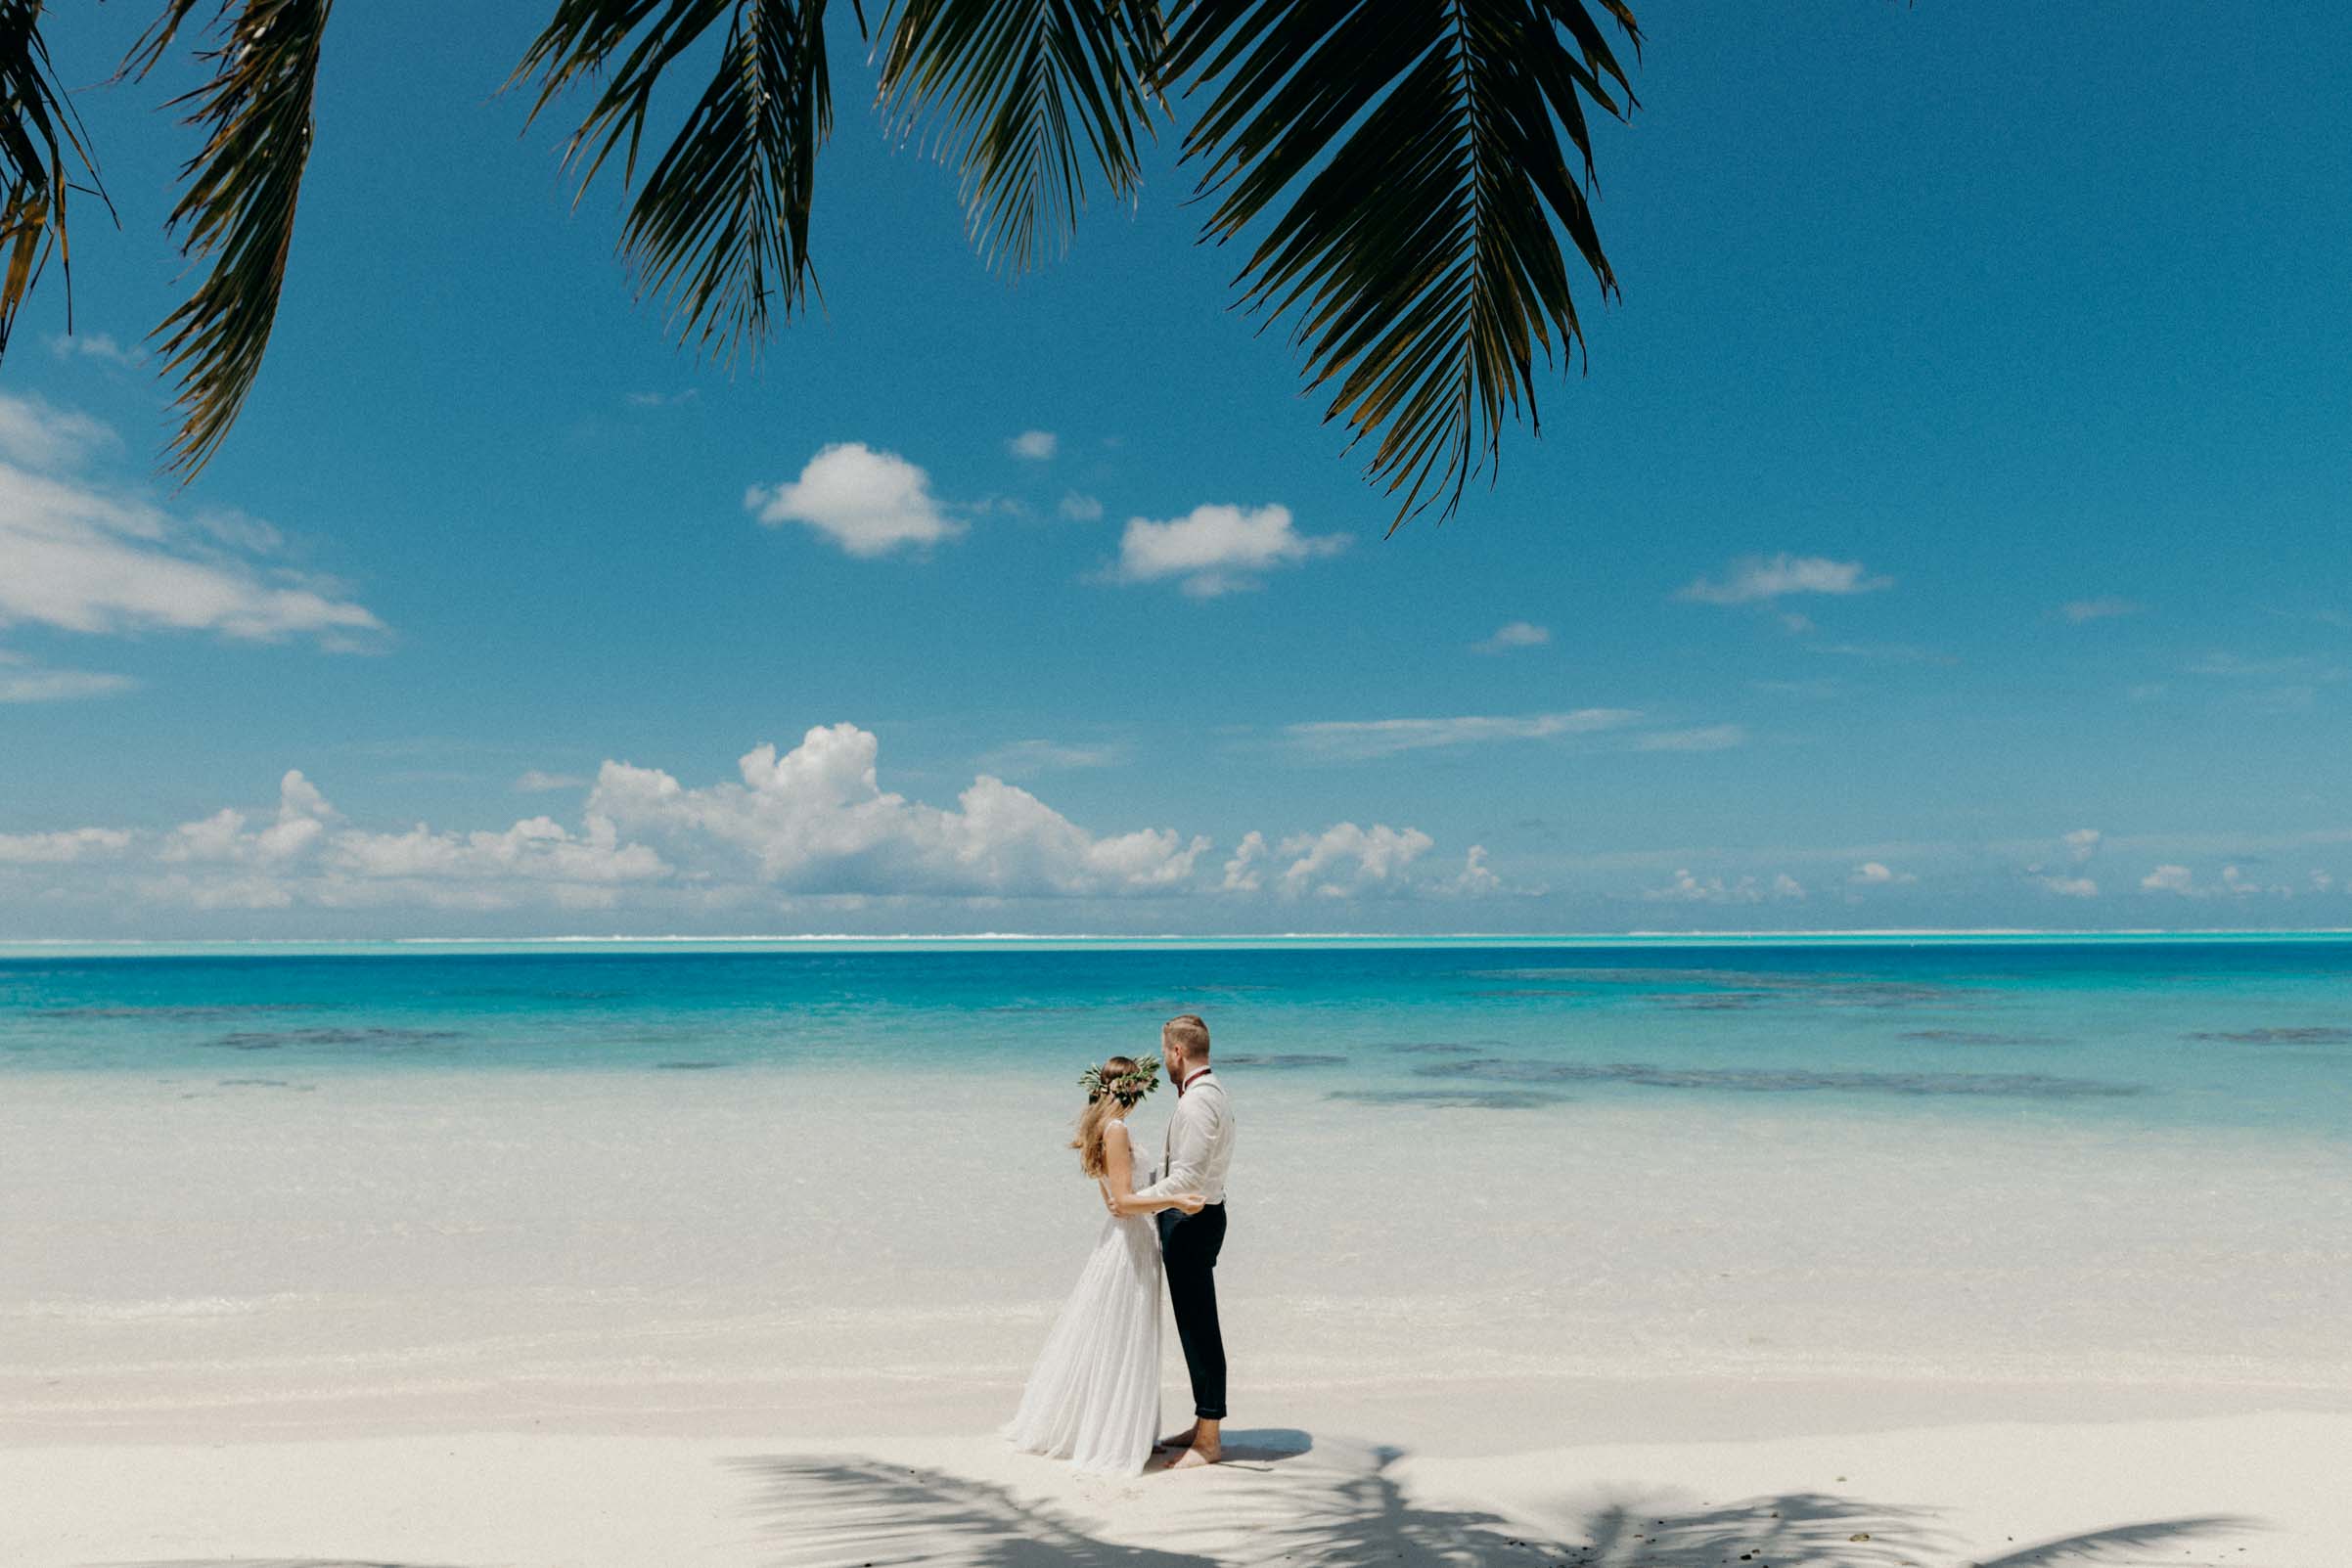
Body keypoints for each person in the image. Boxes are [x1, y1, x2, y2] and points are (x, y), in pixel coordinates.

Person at [1003, 1053, 1204, 1476]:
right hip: (1131, 1243)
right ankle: (1113, 1435)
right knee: (1123, 1335)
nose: (1143, 1091)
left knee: (1116, 1334)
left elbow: (1112, 1199)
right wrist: (1177, 1199)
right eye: (1139, 1084)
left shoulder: (1101, 1127)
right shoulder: (1116, 1130)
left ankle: (1114, 1427)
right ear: (1131, 1087)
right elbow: (1126, 1202)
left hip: (1126, 1239)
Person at [1133, 1013, 1235, 1470]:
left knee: (1198, 1328)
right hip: (1202, 1217)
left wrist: (1132, 1200)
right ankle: (1203, 1422)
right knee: (1196, 1325)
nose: (1162, 1061)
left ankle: (1209, 1437)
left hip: (1193, 1222)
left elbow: (1187, 1180)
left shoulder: (1196, 1104)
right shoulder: (1209, 1093)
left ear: (1178, 1052)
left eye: (1164, 1052)